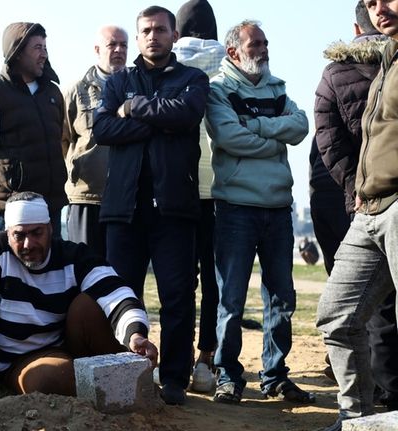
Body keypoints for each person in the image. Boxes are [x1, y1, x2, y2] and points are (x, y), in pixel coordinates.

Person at [0, 192, 157, 401]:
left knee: (91, 303)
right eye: (20, 235)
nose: (29, 244)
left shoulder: (72, 255)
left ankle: (131, 378)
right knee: (52, 378)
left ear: (50, 228)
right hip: (17, 359)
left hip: (65, 343)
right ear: (7, 234)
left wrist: (135, 334)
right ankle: (108, 388)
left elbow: (115, 291)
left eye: (37, 233)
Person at [93, 6, 209, 405]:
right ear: (138, 37)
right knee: (122, 297)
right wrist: (160, 117)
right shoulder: (118, 80)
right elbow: (102, 127)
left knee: (177, 297)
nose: (153, 36)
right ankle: (126, 375)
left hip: (174, 208)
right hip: (123, 209)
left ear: (174, 35)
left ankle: (175, 378)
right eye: (146, 30)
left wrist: (136, 108)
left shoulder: (193, 78)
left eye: (161, 29)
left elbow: (188, 114)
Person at [205, 20, 314, 405]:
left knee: (282, 297)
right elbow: (228, 137)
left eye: (266, 43)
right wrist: (273, 135)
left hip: (277, 207)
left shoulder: (277, 88)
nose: (264, 49)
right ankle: (228, 376)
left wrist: (256, 126)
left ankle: (275, 376)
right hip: (235, 207)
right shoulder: (217, 90)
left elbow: (300, 127)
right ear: (234, 51)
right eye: (257, 44)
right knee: (231, 298)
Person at [317, 0, 398, 428]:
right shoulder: (386, 57)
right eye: (370, 3)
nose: (379, 9)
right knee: (336, 315)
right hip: (368, 207)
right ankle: (358, 420)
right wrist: (358, 192)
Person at [171, 0, 224, 393]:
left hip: (180, 184)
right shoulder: (230, 63)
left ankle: (180, 354)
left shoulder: (168, 63)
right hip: (222, 187)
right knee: (216, 281)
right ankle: (207, 359)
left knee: (181, 279)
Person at [0, 22, 66, 237]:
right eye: (37, 47)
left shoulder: (53, 93)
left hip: (51, 205)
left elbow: (60, 139)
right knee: (7, 269)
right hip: (10, 207)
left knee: (52, 269)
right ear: (17, 52)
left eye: (45, 48)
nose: (44, 54)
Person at [61, 25, 128, 258]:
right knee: (85, 272)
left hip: (127, 199)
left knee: (124, 276)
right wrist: (76, 170)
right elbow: (63, 139)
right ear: (98, 49)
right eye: (112, 45)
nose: (119, 50)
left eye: (124, 45)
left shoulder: (137, 86)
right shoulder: (75, 90)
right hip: (86, 198)